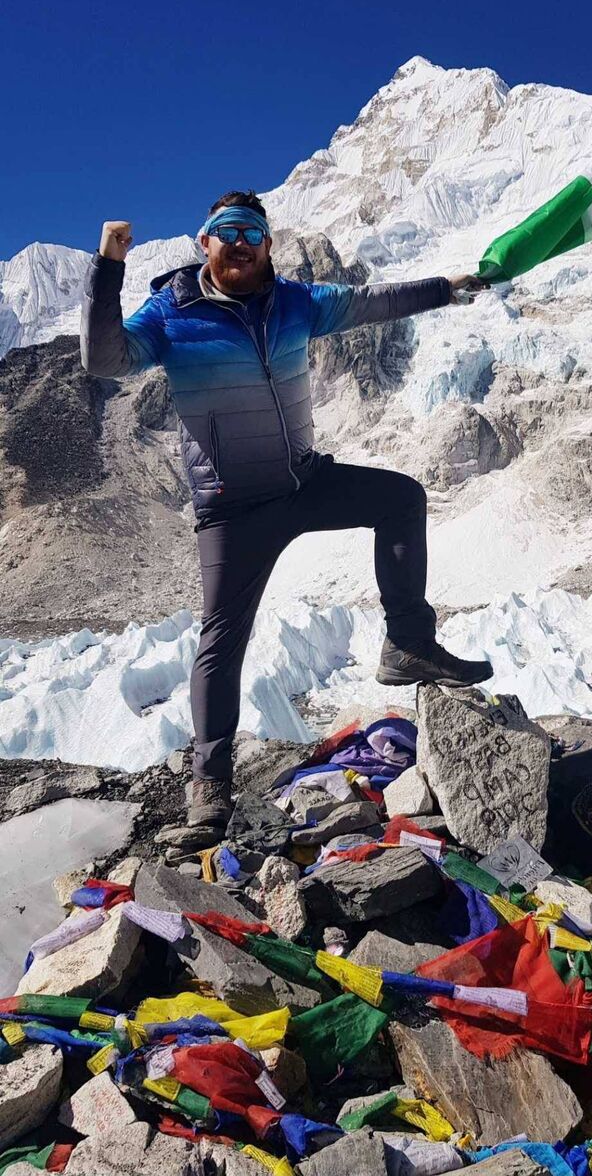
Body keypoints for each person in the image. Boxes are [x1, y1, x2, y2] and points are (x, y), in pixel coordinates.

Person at [81, 190, 494, 832]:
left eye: (251, 230)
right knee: (223, 640)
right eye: (225, 230)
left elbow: (373, 303)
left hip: (304, 481)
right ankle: (209, 787)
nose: (239, 241)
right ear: (204, 243)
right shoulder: (172, 314)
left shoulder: (297, 303)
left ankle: (408, 644)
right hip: (231, 508)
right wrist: (108, 266)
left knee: (402, 499)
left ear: (269, 244)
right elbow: (103, 360)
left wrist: (450, 285)